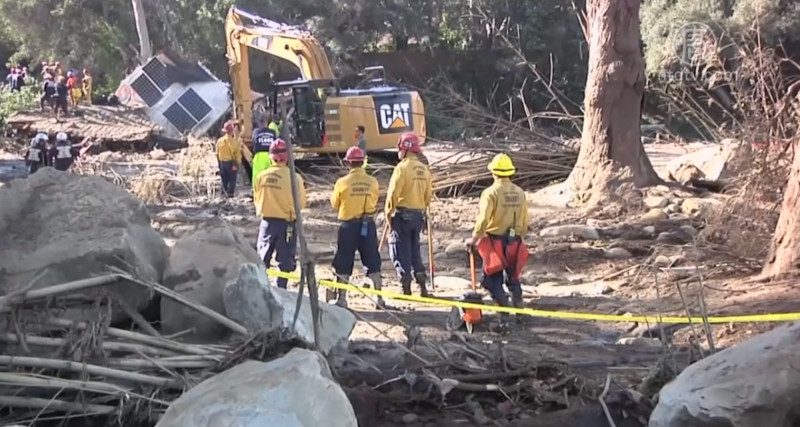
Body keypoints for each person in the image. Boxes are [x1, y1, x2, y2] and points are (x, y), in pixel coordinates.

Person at [468, 153, 529, 318]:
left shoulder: (490, 193)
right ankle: (519, 308)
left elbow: (483, 220)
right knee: (513, 276)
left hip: (495, 243)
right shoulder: (520, 192)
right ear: (510, 172)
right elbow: (524, 220)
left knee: (490, 280)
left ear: (493, 172)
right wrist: (518, 237)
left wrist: (474, 239)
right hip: (514, 242)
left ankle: (504, 311)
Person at [329, 146, 383, 308]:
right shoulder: (373, 182)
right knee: (373, 259)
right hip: (368, 224)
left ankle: (342, 299)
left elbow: (335, 204)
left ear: (348, 163)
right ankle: (379, 299)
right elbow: (375, 200)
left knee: (344, 260)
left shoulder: (342, 183)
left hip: (348, 227)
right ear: (362, 162)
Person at [254, 139, 307, 289]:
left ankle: (260, 288)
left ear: (271, 157)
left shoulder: (261, 176)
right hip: (287, 225)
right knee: (284, 261)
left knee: (262, 258)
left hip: (267, 224)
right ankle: (281, 290)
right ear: (287, 157)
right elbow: (301, 203)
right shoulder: (295, 178)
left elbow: (257, 199)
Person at [385, 132, 433, 297]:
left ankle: (406, 287)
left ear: (405, 149)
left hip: (403, 216)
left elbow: (392, 195)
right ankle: (422, 286)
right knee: (415, 250)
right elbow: (428, 196)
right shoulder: (424, 169)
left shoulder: (402, 168)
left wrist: (388, 214)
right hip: (418, 216)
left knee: (399, 249)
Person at [216, 120, 242, 198]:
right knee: (232, 180)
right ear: (232, 131)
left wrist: (219, 165)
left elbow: (217, 153)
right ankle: (230, 196)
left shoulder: (219, 141)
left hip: (222, 163)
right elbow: (237, 155)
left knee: (224, 180)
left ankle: (222, 196)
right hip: (231, 163)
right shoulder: (234, 142)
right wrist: (237, 164)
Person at [251, 115, 277, 187]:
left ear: (259, 123)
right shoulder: (273, 132)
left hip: (259, 156)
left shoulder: (256, 132)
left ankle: (257, 193)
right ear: (267, 123)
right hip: (270, 156)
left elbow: (253, 141)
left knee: (257, 177)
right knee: (271, 176)